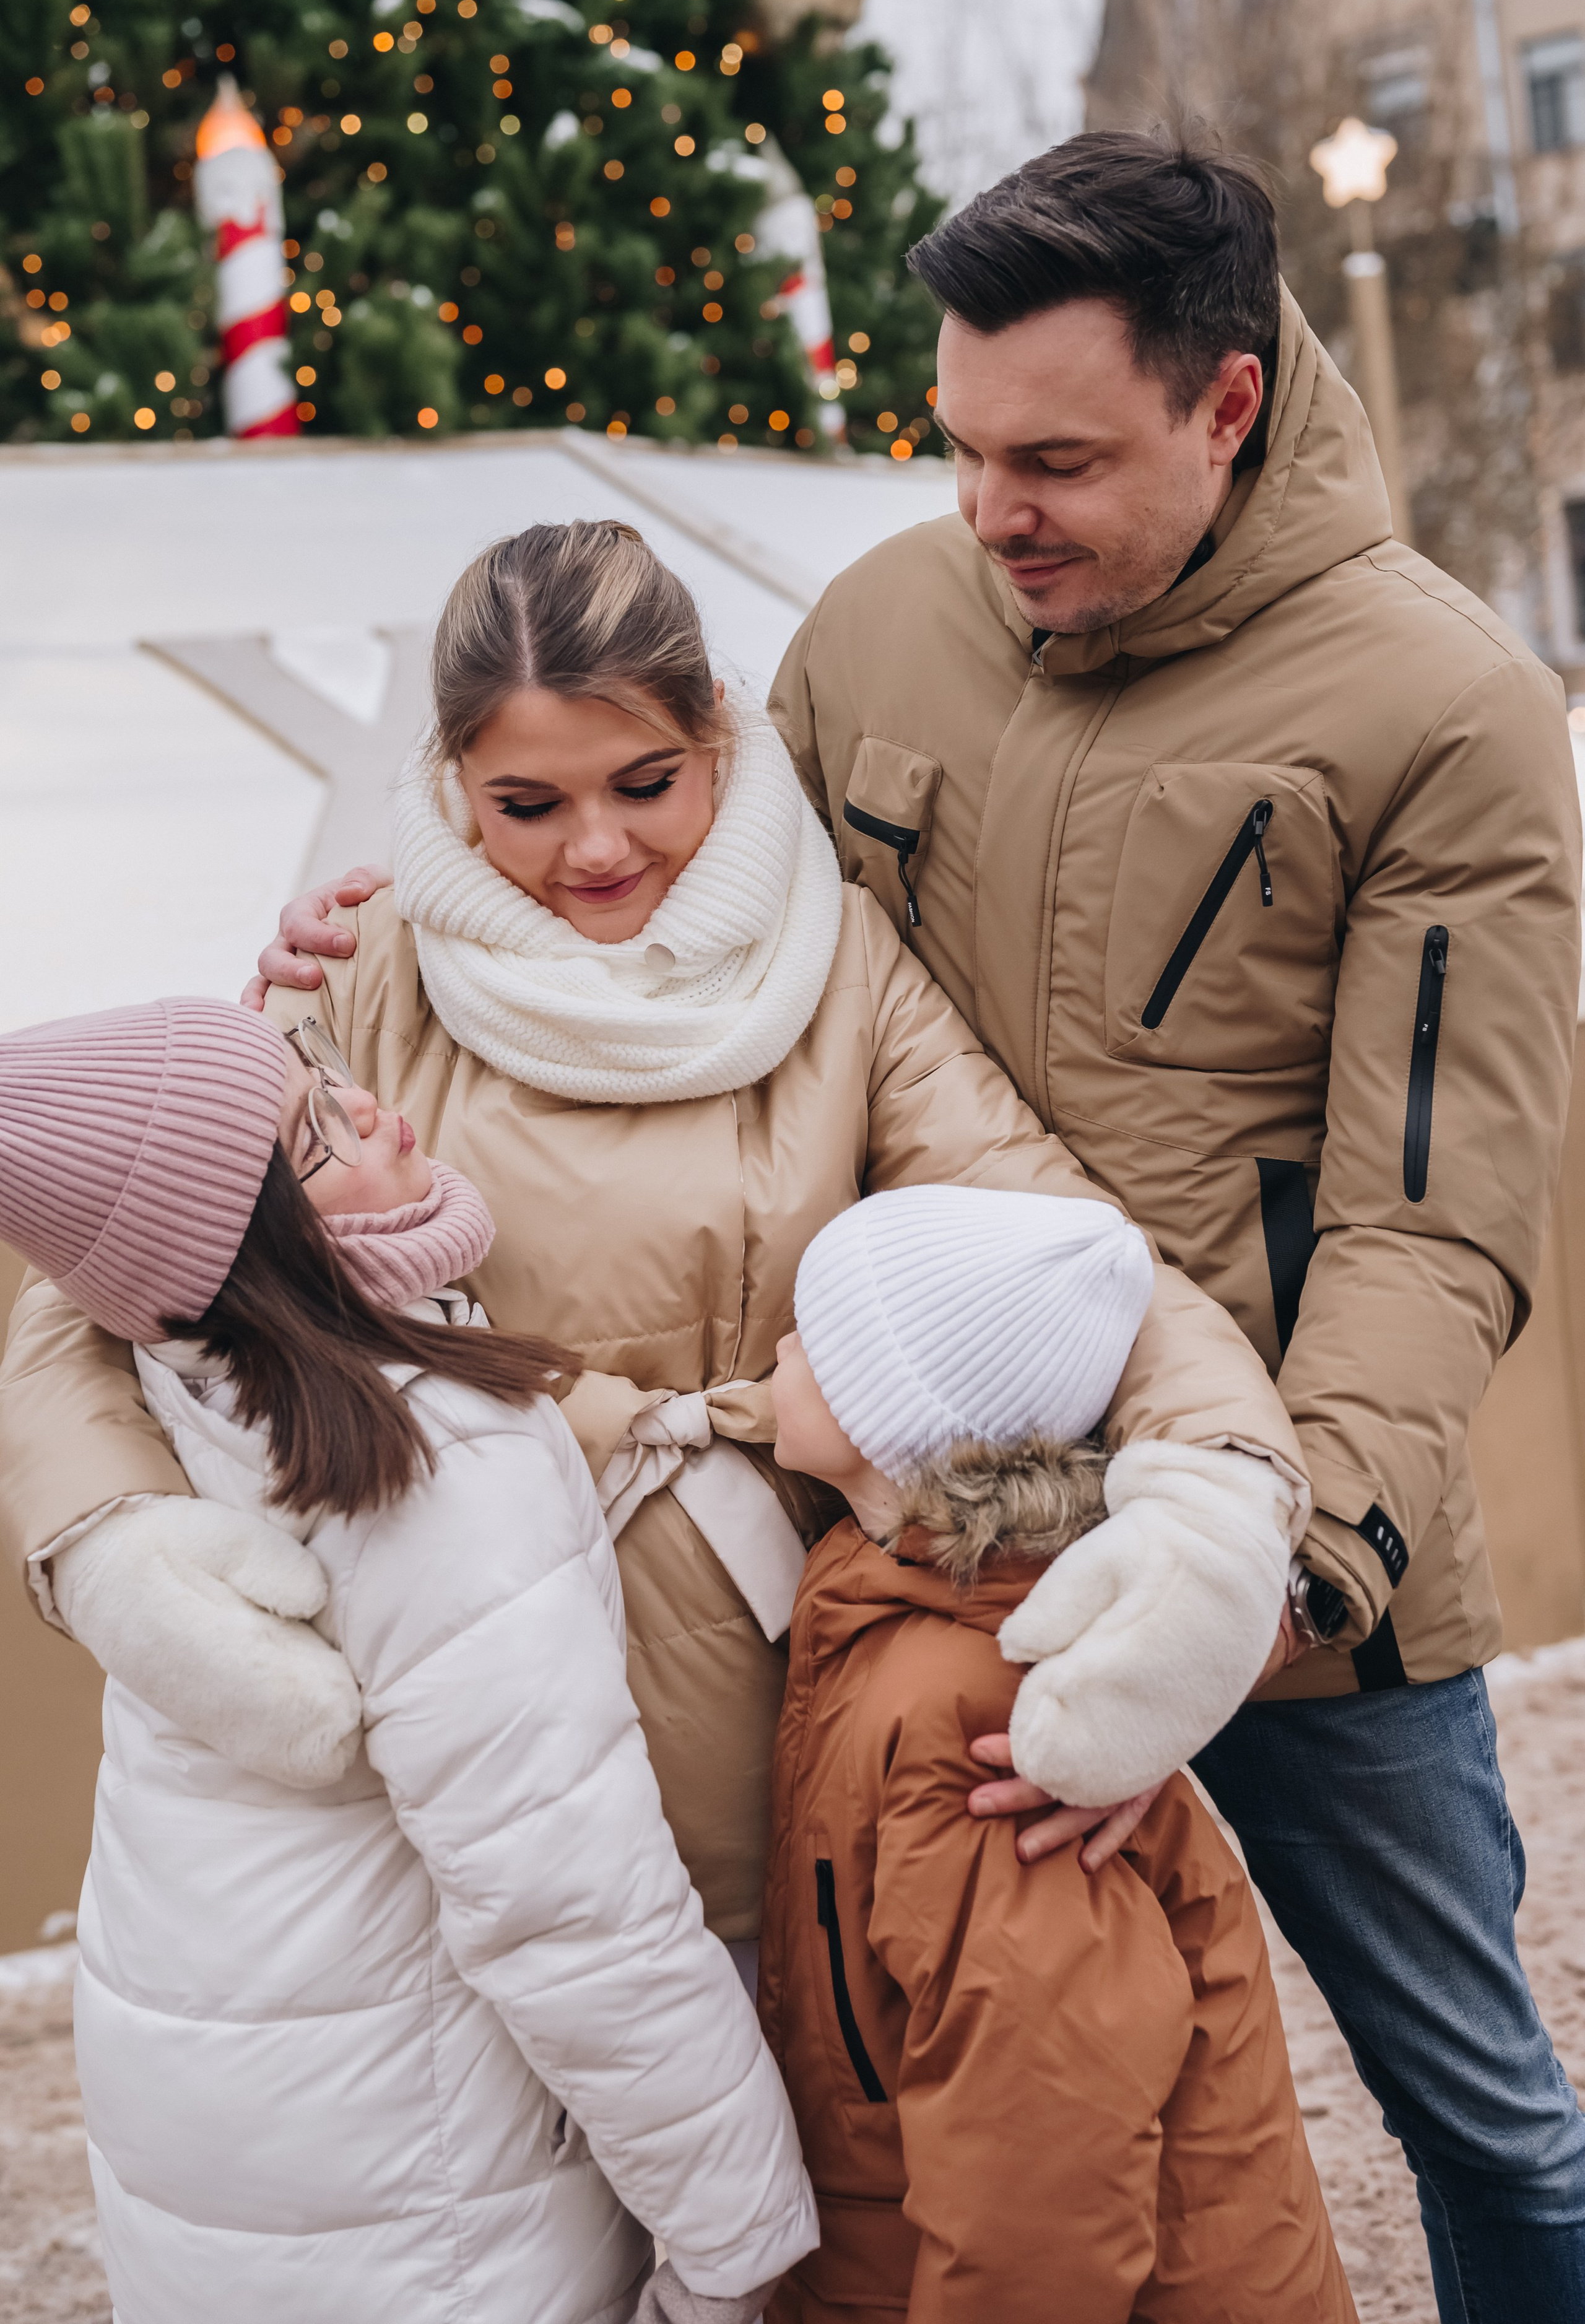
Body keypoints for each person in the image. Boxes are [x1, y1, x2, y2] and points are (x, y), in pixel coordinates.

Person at [0, 520, 1311, 1949]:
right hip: (470, 1705)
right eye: (525, 805)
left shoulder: (838, 964)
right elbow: (103, 1268)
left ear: (718, 738)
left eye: (645, 784)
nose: (596, 848)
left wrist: (1214, 1500)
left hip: (793, 1679)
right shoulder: (363, 970)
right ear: (452, 784)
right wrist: (114, 1541)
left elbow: (1064, 1244)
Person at [763, 135, 1584, 2319]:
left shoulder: (1447, 710)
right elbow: (687, 962)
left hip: (1292, 1563)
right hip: (925, 1534)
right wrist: (387, 944)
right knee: (890, 2101)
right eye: (959, 447)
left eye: (1056, 461)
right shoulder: (872, 633)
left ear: (1228, 404)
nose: (989, 511)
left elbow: (1432, 1223)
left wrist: (1259, 1590)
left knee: (1486, 2119)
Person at [0, 996, 817, 2324]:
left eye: (322, 1078)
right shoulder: (432, 1466)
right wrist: (736, 2235)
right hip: (421, 2187)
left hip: (231, 2129)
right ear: (250, 1242)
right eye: (313, 1138)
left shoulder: (184, 1384)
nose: (372, 1110)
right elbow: (569, 1905)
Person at [759, 1184, 1357, 2324]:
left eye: (814, 1334)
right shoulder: (898, 1604)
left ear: (897, 1421)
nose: (781, 1347)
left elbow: (1042, 2156)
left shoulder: (982, 1717)